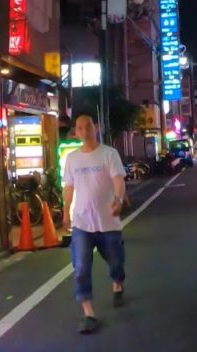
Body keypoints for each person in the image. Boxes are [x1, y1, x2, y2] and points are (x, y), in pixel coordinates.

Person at [62, 112, 128, 334]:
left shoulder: (109, 154)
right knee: (80, 267)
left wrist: (118, 200)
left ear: (95, 127)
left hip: (108, 222)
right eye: (79, 127)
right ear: (76, 132)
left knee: (116, 262)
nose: (84, 130)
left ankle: (117, 283)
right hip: (82, 223)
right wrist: (65, 211)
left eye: (88, 126)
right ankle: (89, 314)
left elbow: (118, 180)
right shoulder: (72, 159)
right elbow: (68, 187)